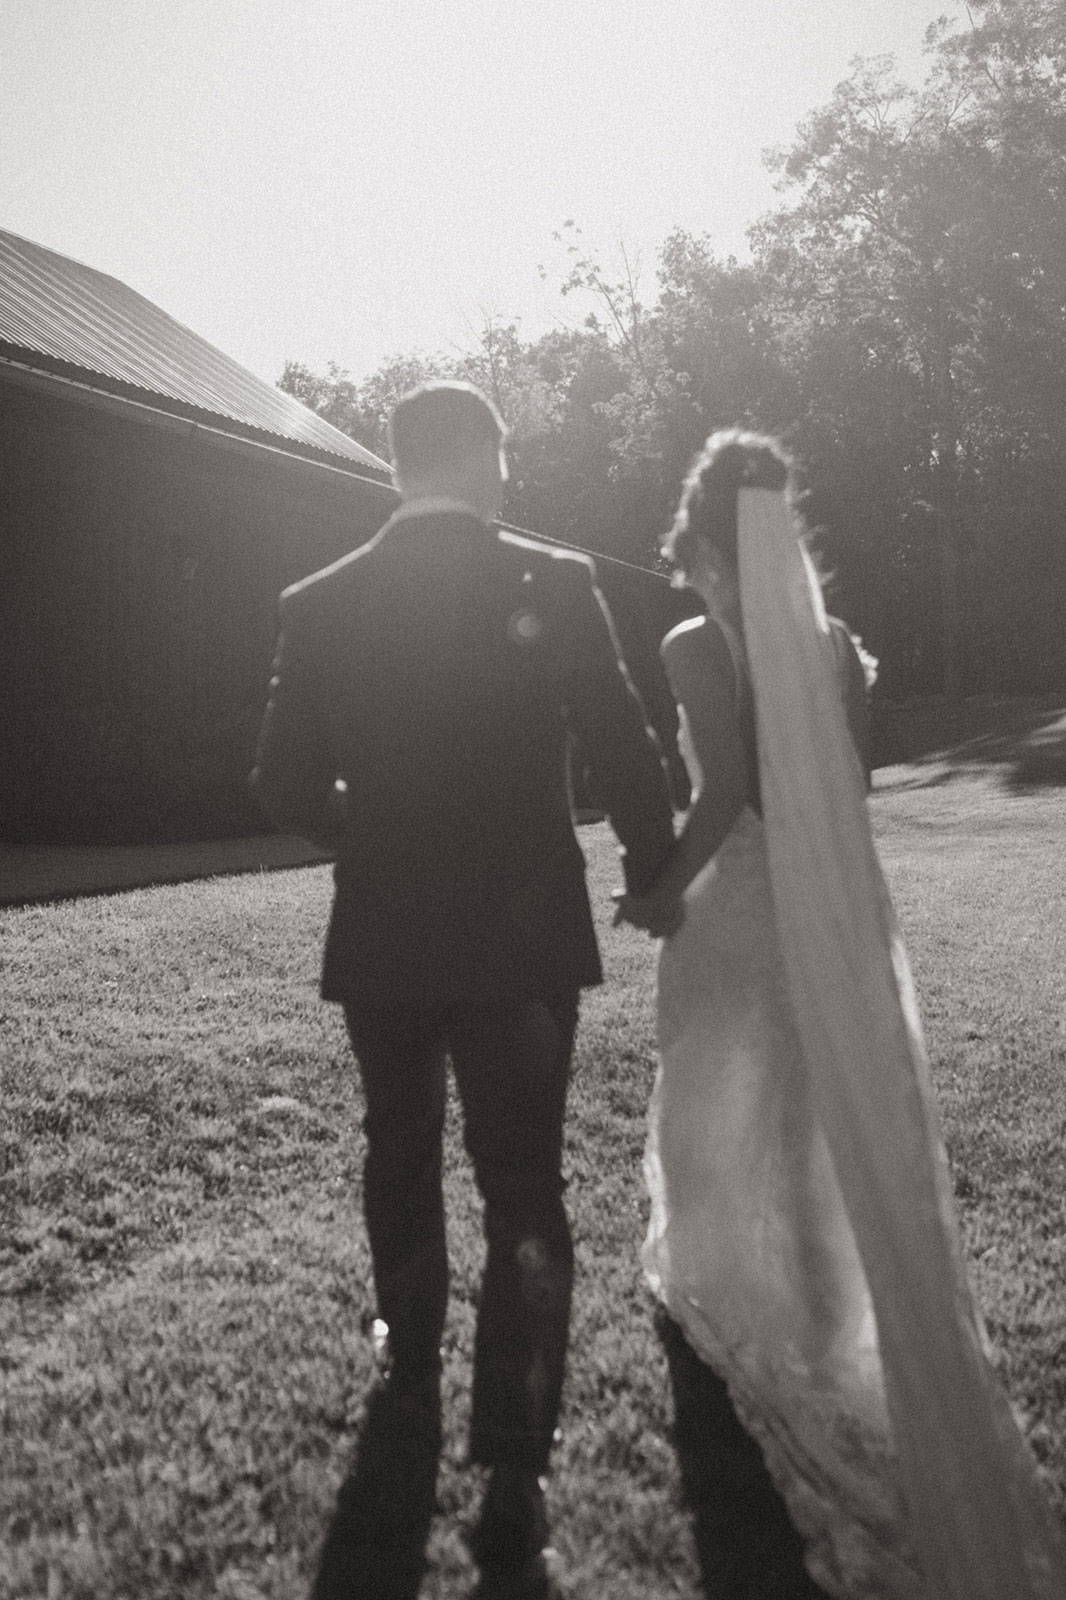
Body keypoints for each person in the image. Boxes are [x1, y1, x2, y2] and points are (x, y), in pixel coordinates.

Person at [615, 431, 1066, 1599]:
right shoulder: (838, 649)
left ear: (700, 526)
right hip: (839, 897)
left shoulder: (688, 643)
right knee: (817, 1108)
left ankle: (740, 1296)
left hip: (739, 907)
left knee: (719, 1097)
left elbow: (722, 791)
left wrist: (661, 889)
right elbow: (843, 793)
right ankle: (819, 1305)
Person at [251, 380, 676, 1600]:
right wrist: (650, 869)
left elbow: (279, 784)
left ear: (393, 468)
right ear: (489, 460)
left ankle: (408, 1354)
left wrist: (374, 832)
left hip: (386, 928)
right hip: (524, 935)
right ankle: (517, 1452)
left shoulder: (318, 602)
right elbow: (625, 740)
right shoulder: (553, 579)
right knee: (524, 1176)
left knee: (399, 1142)